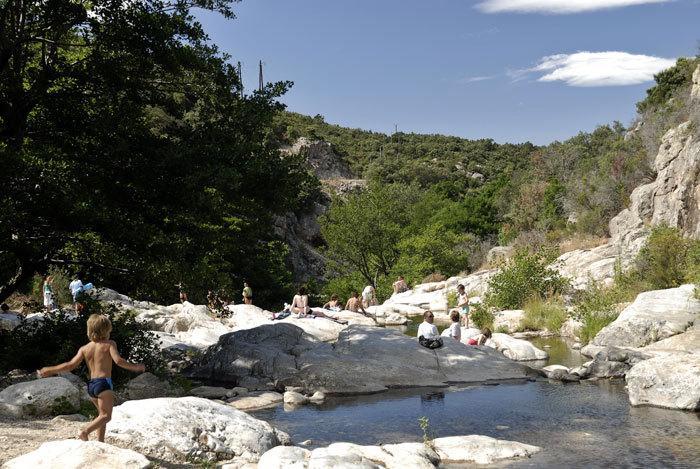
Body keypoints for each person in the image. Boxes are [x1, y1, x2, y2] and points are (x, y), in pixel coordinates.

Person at [37, 314, 145, 442]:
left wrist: (50, 370)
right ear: (106, 330)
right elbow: (119, 361)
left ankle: (100, 442)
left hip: (92, 385)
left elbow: (70, 365)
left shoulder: (85, 348)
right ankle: (85, 431)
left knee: (101, 415)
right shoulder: (110, 344)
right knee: (106, 416)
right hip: (104, 383)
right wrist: (136, 367)